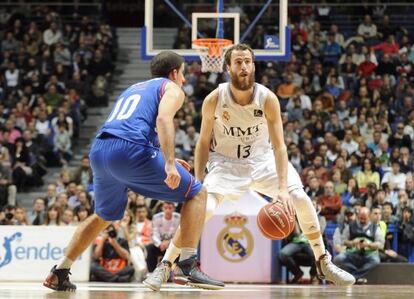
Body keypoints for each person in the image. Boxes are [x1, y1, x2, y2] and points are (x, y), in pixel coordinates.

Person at [144, 44, 355, 291]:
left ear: (253, 65)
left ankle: (323, 260)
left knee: (299, 197)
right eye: (238, 62)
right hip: (225, 165)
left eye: (247, 62)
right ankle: (166, 265)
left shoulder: (268, 99)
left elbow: (279, 147)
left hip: (263, 160)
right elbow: (202, 144)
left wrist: (282, 189)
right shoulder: (214, 99)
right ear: (228, 67)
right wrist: (198, 183)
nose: (244, 66)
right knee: (202, 210)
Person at [43, 51, 224, 292]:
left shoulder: (134, 88)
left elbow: (131, 125)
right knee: (197, 194)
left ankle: (60, 271)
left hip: (100, 150)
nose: (183, 79)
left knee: (103, 215)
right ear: (174, 73)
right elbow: (163, 120)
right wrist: (169, 163)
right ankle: (187, 264)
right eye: (182, 74)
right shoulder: (172, 88)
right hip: (130, 151)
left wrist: (163, 156)